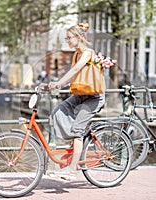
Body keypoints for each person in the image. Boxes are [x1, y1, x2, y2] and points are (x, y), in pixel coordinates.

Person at [48, 23, 105, 179]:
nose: (67, 40)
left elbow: (75, 70)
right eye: (66, 38)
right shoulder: (75, 54)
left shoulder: (88, 53)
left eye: (68, 37)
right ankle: (73, 142)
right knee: (58, 111)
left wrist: (58, 83)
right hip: (81, 93)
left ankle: (72, 170)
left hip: (94, 97)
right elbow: (73, 77)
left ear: (78, 37)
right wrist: (57, 85)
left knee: (77, 131)